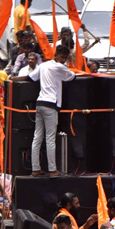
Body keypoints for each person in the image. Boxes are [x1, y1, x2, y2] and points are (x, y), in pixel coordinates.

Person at [23, 46, 76, 176]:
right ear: (57, 55)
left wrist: (15, 78)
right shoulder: (60, 67)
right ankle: (52, 170)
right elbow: (72, 76)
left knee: (37, 137)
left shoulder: (43, 65)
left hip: (39, 103)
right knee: (50, 138)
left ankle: (35, 168)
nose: (63, 60)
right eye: (62, 57)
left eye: (64, 58)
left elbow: (30, 78)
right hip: (51, 104)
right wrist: (69, 63)